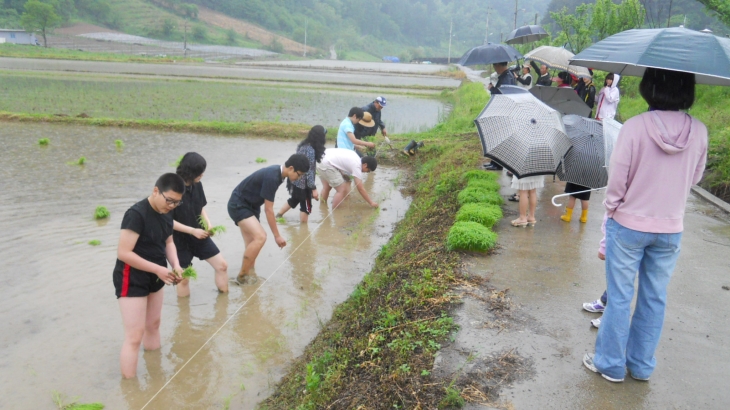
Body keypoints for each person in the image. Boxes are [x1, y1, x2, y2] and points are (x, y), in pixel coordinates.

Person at [583, 68, 708, 383]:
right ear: (688, 91)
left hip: (628, 226)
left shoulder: (635, 127)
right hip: (670, 229)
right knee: (655, 296)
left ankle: (610, 364)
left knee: (621, 296)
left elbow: (617, 184)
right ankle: (640, 366)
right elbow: (694, 178)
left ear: (648, 87)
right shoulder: (700, 131)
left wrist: (611, 213)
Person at [114, 173, 185, 378]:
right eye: (169, 200)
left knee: (153, 324)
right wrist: (157, 269)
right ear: (156, 191)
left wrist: (176, 265)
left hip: (157, 274)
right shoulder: (136, 214)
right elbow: (124, 253)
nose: (171, 206)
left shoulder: (168, 212)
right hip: (132, 276)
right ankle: (131, 390)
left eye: (176, 203)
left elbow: (169, 242)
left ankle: (156, 374)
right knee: (134, 336)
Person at [227, 154, 310, 285]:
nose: (299, 178)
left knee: (252, 243)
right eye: (299, 174)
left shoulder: (278, 174)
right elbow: (269, 210)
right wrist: (277, 236)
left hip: (251, 206)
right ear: (291, 168)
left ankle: (249, 274)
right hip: (239, 205)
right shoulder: (273, 176)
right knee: (261, 237)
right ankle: (241, 276)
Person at [171, 152, 229, 296]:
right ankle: (184, 316)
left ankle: (224, 304)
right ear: (190, 172)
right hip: (178, 241)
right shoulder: (171, 188)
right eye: (199, 172)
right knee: (183, 279)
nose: (202, 175)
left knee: (222, 266)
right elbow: (166, 220)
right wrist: (192, 231)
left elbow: (200, 207)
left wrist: (208, 224)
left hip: (200, 235)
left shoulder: (197, 185)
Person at [277, 125, 327, 223]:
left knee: (295, 199)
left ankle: (278, 215)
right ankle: (304, 229)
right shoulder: (311, 151)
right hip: (304, 184)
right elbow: (309, 171)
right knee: (306, 207)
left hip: (295, 179)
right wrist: (313, 189)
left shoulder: (303, 145)